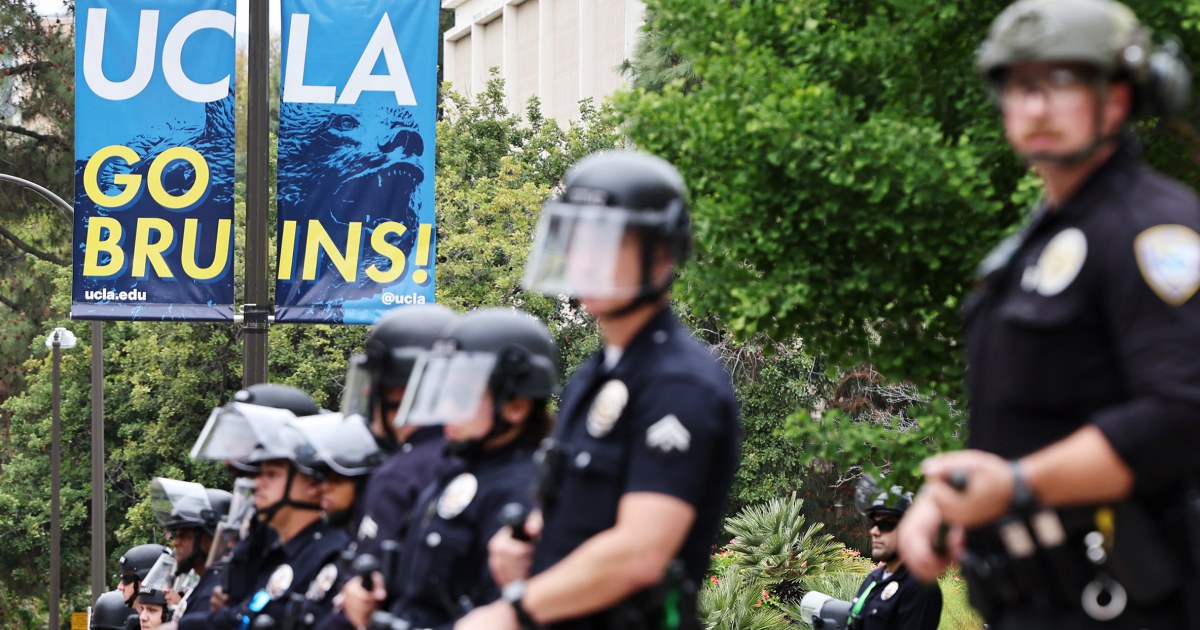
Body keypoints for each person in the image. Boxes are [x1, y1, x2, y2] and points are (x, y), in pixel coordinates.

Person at [896, 1, 1200, 628]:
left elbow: (1180, 412)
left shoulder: (1155, 229)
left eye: (1060, 83)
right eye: (1020, 85)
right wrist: (952, 499)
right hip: (1030, 603)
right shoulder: (1036, 244)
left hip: (1126, 602)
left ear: (1117, 99)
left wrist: (1016, 484)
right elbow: (1026, 422)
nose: (1034, 106)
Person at [456, 150, 742, 629]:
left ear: (663, 253)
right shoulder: (595, 375)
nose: (584, 260)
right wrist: (529, 541)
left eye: (607, 242)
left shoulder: (679, 383)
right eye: (576, 240)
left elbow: (640, 553)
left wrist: (514, 611)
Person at [363, 307, 557, 629]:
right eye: (444, 390)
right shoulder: (457, 472)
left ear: (516, 406)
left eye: (462, 393)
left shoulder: (521, 491)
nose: (446, 407)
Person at [326, 304, 460, 629]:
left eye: (377, 381)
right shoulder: (476, 459)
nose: (369, 392)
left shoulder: (398, 475)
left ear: (399, 390)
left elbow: (365, 589)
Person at [847, 484, 941, 630]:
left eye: (885, 524)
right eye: (874, 523)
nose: (874, 531)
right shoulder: (874, 578)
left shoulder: (920, 587)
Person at [150, 477, 232, 624]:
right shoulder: (208, 584)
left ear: (210, 539)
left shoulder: (213, 593)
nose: (175, 542)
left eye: (184, 535)